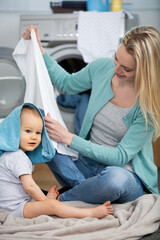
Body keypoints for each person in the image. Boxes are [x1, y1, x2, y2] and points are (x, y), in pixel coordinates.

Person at [22, 25, 160, 204]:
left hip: (125, 175)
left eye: (126, 69)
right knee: (34, 120)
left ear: (145, 71)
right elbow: (66, 84)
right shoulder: (102, 67)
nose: (116, 69)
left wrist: (70, 139)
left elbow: (120, 157)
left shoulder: (149, 105)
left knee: (114, 180)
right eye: (116, 59)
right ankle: (88, 192)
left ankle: (57, 201)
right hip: (85, 165)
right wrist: (40, 50)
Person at [0, 104, 113, 218]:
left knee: (47, 202)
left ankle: (47, 201)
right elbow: (30, 187)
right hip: (15, 208)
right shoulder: (18, 157)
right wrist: (46, 202)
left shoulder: (9, 154)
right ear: (13, 131)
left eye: (38, 133)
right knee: (53, 206)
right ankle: (90, 213)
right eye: (28, 131)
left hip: (12, 205)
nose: (34, 137)